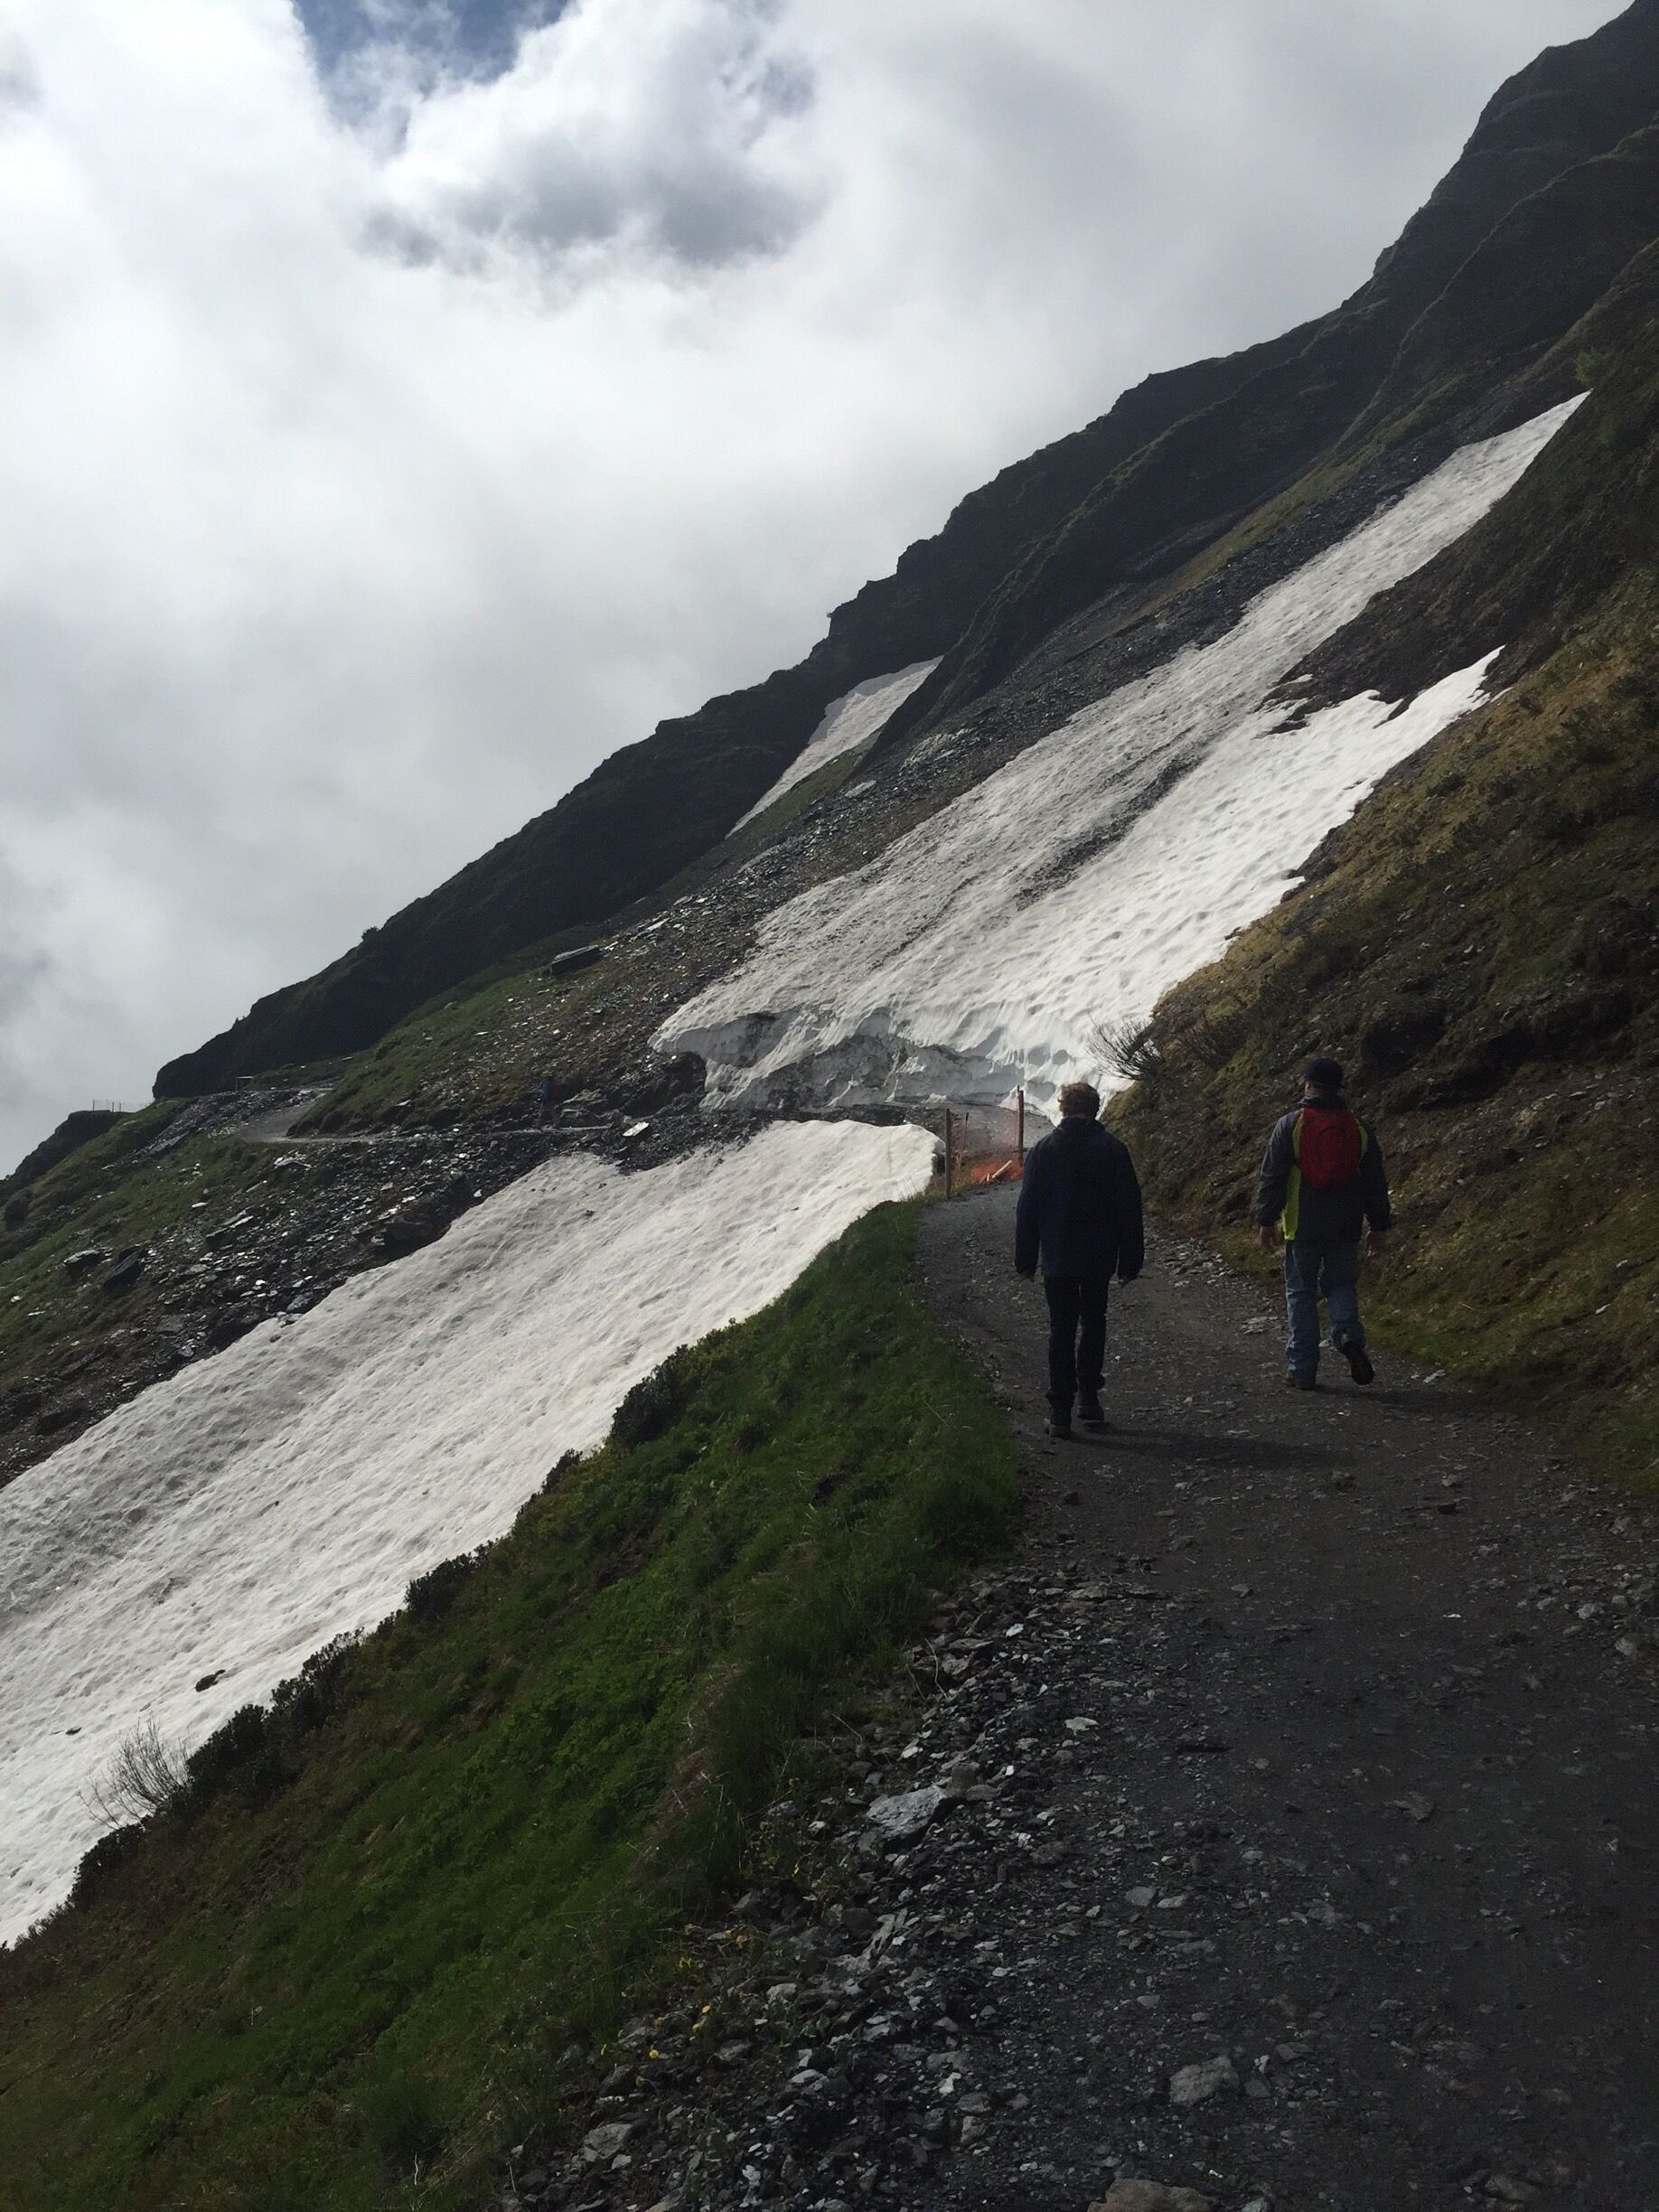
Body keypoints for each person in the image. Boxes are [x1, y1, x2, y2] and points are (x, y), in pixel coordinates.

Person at [1015, 1080, 1145, 1439]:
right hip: (1099, 1256)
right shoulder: (1113, 1150)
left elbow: (1028, 1210)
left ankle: (1060, 1414)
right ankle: (1089, 1399)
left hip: (1057, 1256)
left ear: (1063, 1108)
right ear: (1096, 1108)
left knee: (1061, 1330)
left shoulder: (1043, 1151)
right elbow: (1129, 1209)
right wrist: (1130, 1261)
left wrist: (1025, 1259)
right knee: (1094, 1322)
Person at [1254, 1054, 1392, 1392]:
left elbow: (1273, 1175)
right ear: (1339, 1086)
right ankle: (1347, 1334)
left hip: (1302, 1224)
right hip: (1346, 1224)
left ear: (1309, 1083)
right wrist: (1379, 1225)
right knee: (1341, 1284)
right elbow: (1374, 1179)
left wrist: (1266, 1219)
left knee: (1300, 1292)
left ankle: (1303, 1370)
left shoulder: (1291, 1124)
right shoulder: (1358, 1127)